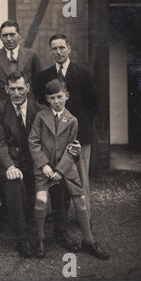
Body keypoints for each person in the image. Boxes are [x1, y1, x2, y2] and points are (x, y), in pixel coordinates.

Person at [0, 72, 80, 258]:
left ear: (28, 88)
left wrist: (54, 162)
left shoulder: (39, 110)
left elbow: (52, 141)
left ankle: (60, 231)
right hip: (12, 164)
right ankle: (23, 238)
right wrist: (9, 166)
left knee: (58, 179)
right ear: (6, 89)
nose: (16, 93)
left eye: (20, 88)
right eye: (12, 89)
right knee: (14, 184)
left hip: (35, 164)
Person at [29, 78, 109, 260]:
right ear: (47, 99)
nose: (56, 101)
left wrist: (60, 170)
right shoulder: (41, 117)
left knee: (80, 200)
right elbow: (33, 142)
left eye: (59, 97)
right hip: (45, 168)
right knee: (41, 200)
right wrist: (44, 165)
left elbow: (73, 149)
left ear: (66, 96)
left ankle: (88, 241)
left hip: (65, 168)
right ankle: (40, 239)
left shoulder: (72, 120)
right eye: (52, 98)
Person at [34, 34, 98, 218]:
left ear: (69, 48)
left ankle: (84, 217)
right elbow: (41, 103)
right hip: (53, 136)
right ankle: (57, 216)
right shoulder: (44, 76)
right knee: (55, 176)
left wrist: (80, 125)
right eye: (55, 48)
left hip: (80, 135)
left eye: (62, 47)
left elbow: (93, 103)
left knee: (80, 178)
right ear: (50, 51)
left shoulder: (82, 74)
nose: (59, 52)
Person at [0, 20, 41, 103]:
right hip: (1, 109)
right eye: (5, 35)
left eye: (12, 35)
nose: (8, 39)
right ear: (0, 37)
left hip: (27, 108)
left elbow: (38, 86)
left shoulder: (31, 55)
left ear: (19, 35)